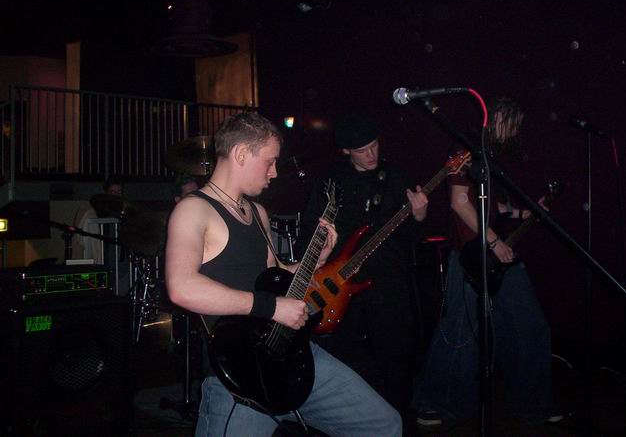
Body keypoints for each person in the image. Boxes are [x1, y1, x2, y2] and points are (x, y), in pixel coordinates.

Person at [164, 111, 402, 437]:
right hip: (238, 370)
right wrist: (272, 307)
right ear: (241, 154)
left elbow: (273, 275)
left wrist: (315, 261)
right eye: (270, 162)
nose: (274, 173)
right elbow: (182, 287)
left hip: (289, 349)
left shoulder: (258, 212)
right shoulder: (194, 209)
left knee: (384, 425)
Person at [412, 96, 561, 429]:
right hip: (470, 255)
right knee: (461, 333)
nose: (515, 131)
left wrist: (523, 213)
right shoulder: (464, 149)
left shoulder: (489, 156)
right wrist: (493, 241)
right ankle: (435, 404)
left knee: (530, 326)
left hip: (497, 254)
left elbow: (492, 209)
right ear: (497, 119)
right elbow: (459, 202)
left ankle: (533, 405)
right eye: (512, 123)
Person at [297, 113, 429, 415]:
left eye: (374, 146)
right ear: (346, 150)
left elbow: (414, 237)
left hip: (388, 279)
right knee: (336, 355)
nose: (371, 155)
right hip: (338, 282)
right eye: (361, 150)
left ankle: (398, 420)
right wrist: (315, 268)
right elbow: (310, 230)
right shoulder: (331, 182)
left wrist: (420, 216)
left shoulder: (396, 177)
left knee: (397, 356)